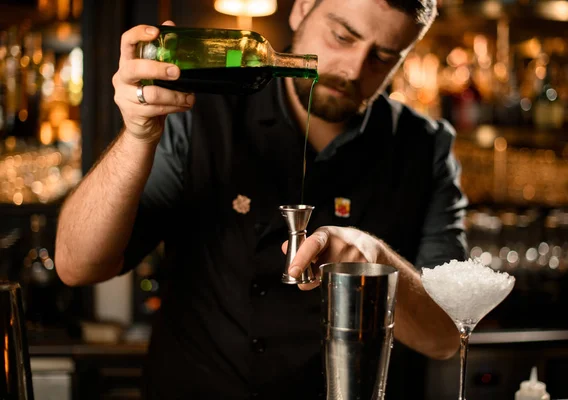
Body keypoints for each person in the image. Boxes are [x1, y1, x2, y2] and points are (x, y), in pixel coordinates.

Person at [55, 0, 469, 398]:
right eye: (343, 36)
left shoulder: (424, 148)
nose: (352, 69)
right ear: (302, 8)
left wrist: (377, 261)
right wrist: (138, 136)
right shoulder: (199, 112)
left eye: (383, 56)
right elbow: (76, 265)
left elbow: (447, 337)